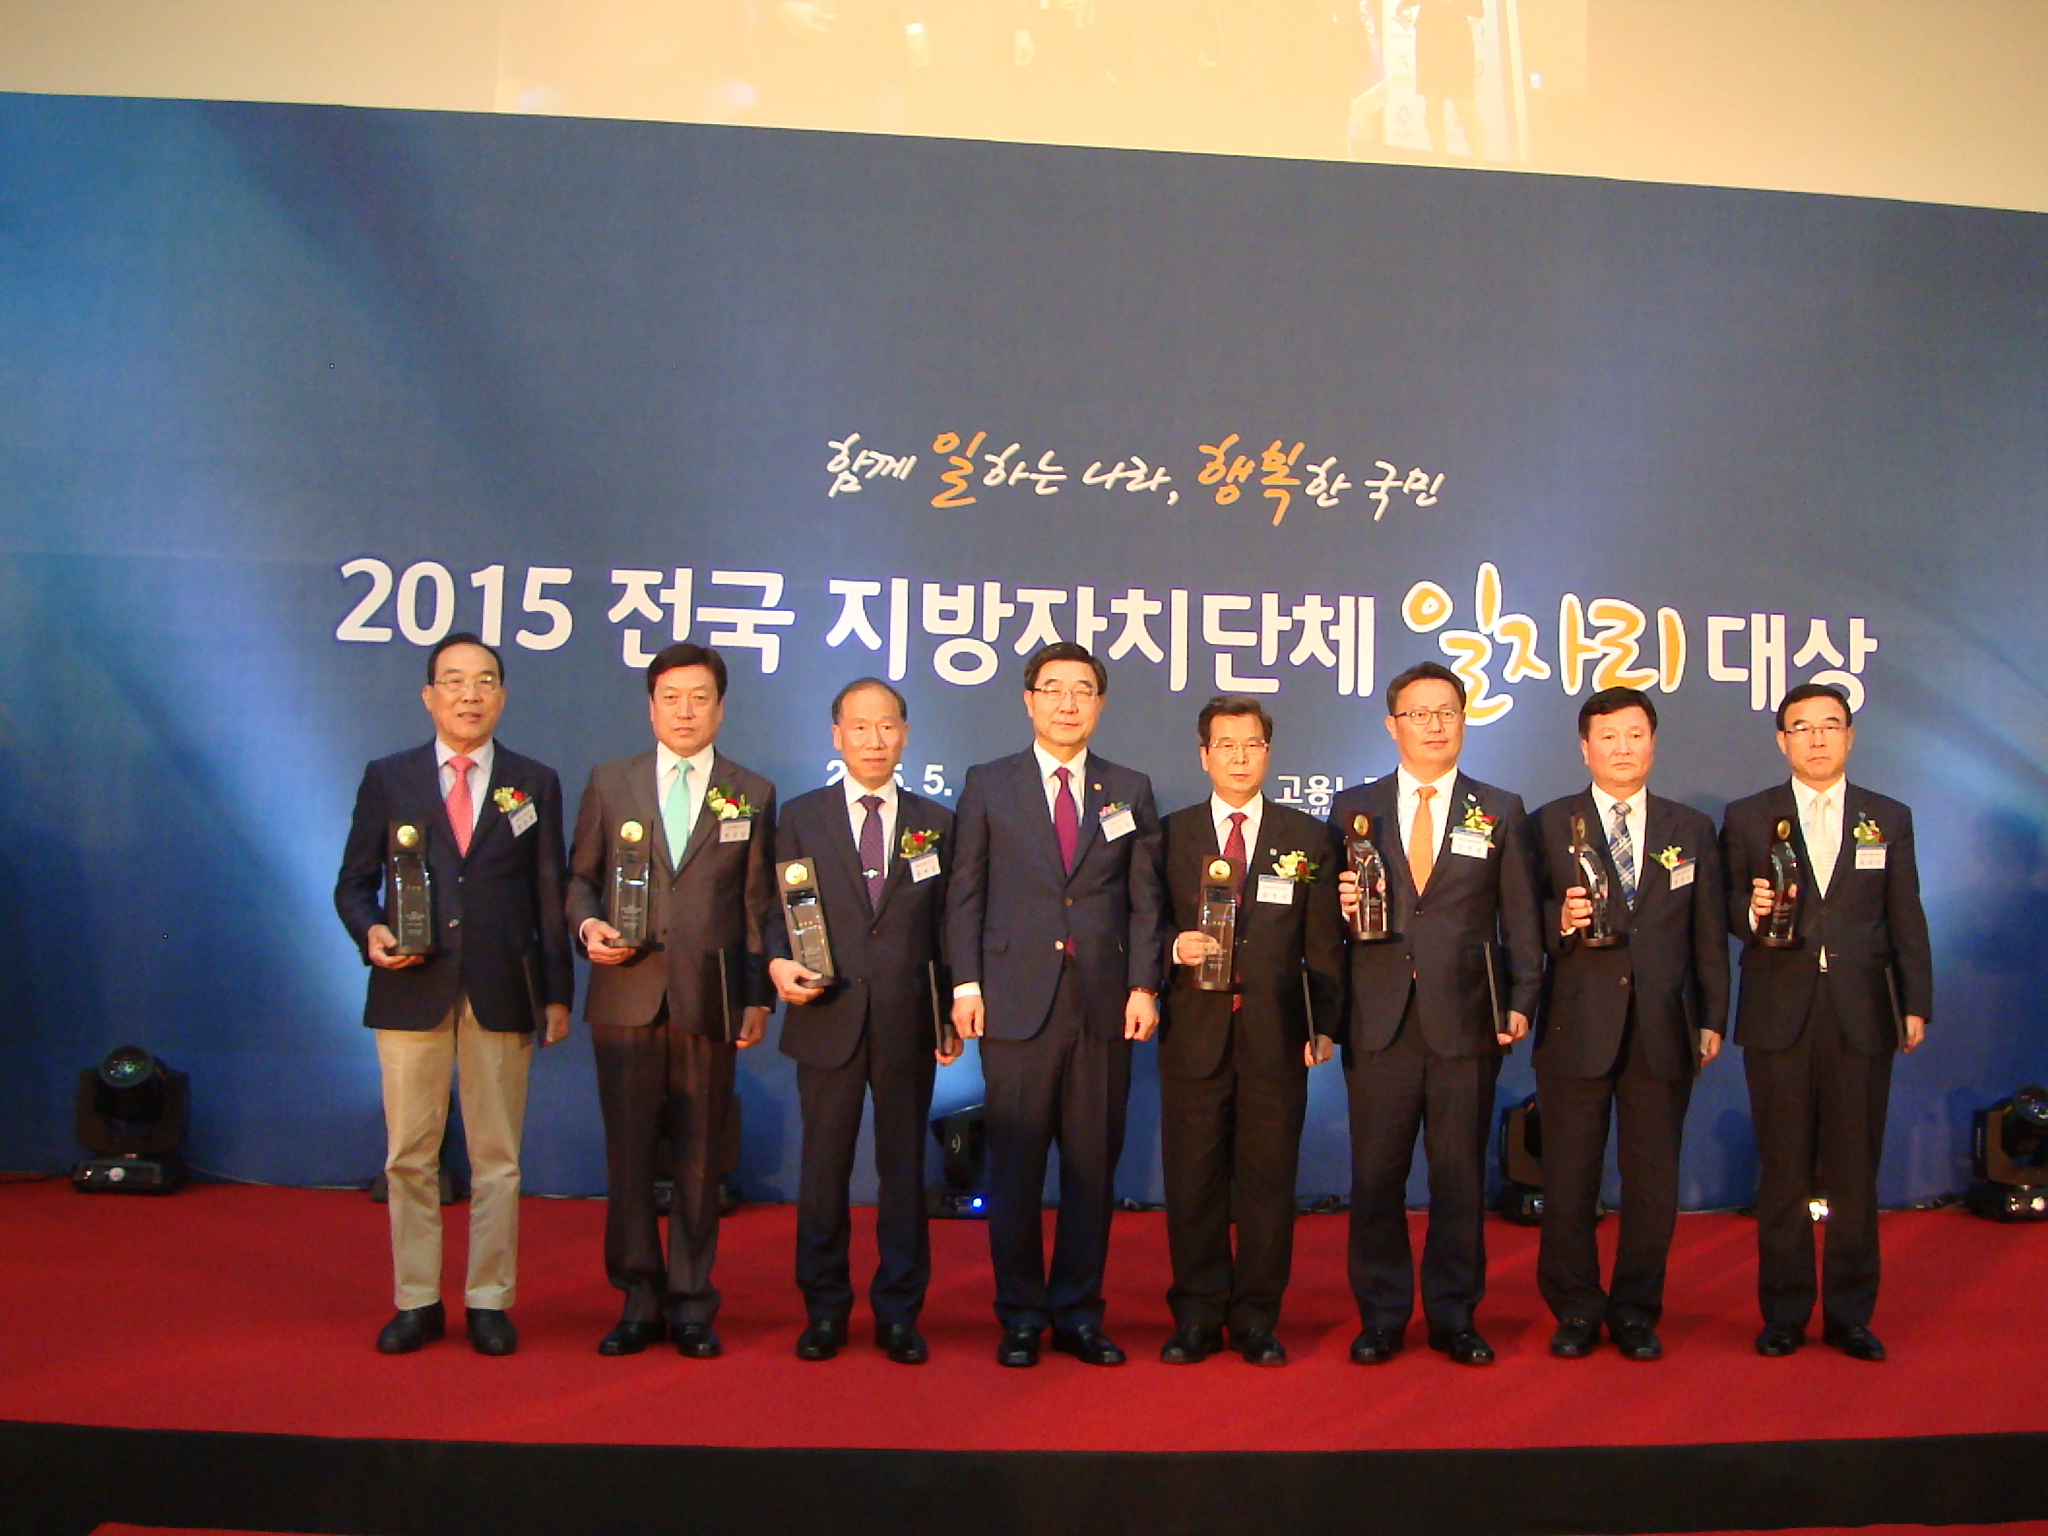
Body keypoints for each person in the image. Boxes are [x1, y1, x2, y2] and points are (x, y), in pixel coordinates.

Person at [334, 633, 571, 1356]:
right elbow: (353, 885)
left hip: (503, 989)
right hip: (412, 988)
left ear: (502, 695)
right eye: (455, 681)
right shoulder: (390, 777)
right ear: (429, 695)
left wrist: (556, 995)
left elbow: (549, 895)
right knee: (409, 1154)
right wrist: (372, 931)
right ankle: (417, 1299)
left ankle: (489, 1299)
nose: (471, 695)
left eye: (485, 681)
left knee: (498, 1157)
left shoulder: (533, 782)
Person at [946, 641, 1167, 1367]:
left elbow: (1145, 900)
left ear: (1100, 704)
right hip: (1015, 1001)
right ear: (1029, 700)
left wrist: (1144, 985)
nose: (1068, 703)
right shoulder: (989, 783)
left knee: (1091, 1169)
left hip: (1102, 1003)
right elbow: (966, 891)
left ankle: (1078, 1313)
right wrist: (966, 984)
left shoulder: (1128, 788)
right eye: (1053, 689)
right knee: (1014, 1168)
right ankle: (1019, 1316)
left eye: (1082, 691)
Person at [566, 642, 776, 1358]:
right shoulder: (611, 782)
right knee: (628, 1156)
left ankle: (691, 1302)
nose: (685, 712)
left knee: (699, 1158)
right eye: (671, 698)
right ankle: (637, 1298)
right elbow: (579, 879)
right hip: (625, 992)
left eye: (699, 698)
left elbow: (757, 907)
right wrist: (587, 926)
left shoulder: (751, 792)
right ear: (650, 707)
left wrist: (756, 999)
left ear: (720, 707)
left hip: (709, 997)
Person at [1331, 661, 1541, 1366]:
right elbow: (1326, 922)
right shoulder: (1353, 809)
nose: (1434, 725)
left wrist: (1521, 1000)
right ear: (1392, 726)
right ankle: (1382, 1315)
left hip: (1467, 1019)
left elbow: (1520, 918)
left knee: (1458, 1178)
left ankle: (1455, 1314)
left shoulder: (1500, 808)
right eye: (1418, 714)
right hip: (1379, 1019)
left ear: (1464, 721)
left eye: (1446, 712)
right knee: (1376, 1177)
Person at [1722, 682, 1930, 1362]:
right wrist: (1751, 912)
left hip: (1861, 1011)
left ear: (1849, 736)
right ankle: (1784, 1313)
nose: (1816, 739)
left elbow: (1905, 914)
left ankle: (1850, 1315)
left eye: (1829, 726)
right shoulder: (1749, 816)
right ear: (1781, 741)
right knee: (1781, 1171)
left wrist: (1915, 1001)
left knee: (1854, 1172)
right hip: (1778, 1013)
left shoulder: (1886, 817)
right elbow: (1725, 907)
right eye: (1802, 727)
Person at [1531, 687, 1729, 1362]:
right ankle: (1575, 1308)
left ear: (1653, 742)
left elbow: (1707, 933)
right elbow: (1519, 920)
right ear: (1585, 748)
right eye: (1608, 737)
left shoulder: (1689, 828)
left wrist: (1711, 1014)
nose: (1623, 748)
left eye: (1635, 734)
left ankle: (1637, 1310)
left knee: (1652, 1183)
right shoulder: (1548, 824)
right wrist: (1559, 920)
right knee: (1569, 1179)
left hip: (1663, 1026)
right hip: (1575, 1026)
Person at [768, 678, 957, 1365]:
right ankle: (824, 1310)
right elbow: (774, 907)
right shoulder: (802, 816)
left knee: (904, 1172)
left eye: (886, 727)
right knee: (823, 1171)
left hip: (908, 1020)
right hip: (827, 1013)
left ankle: (899, 1313)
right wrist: (776, 961)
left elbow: (949, 925)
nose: (874, 740)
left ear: (904, 734)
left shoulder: (938, 822)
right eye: (860, 727)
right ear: (837, 736)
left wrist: (947, 1012)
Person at [1158, 696, 1345, 1366]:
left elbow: (1323, 943)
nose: (1239, 758)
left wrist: (1324, 1023)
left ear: (1268, 752)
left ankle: (1258, 1318)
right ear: (1203, 755)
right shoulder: (1171, 834)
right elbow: (1144, 921)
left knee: (1268, 1184)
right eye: (1226, 745)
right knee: (1193, 1182)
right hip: (1194, 1034)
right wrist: (1171, 948)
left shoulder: (1306, 837)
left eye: (1252, 745)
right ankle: (1196, 1317)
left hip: (1276, 1034)